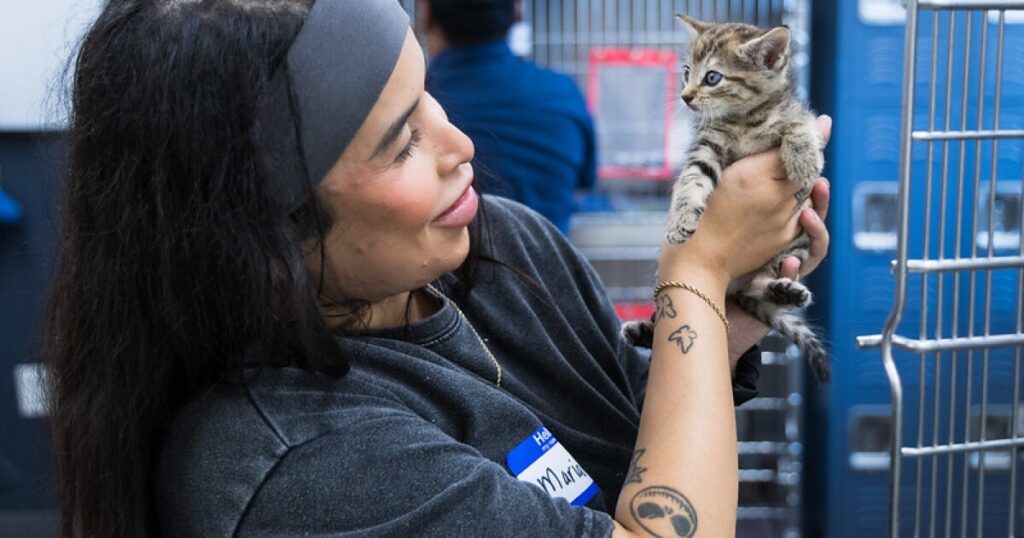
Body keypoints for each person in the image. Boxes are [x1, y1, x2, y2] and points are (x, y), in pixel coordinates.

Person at [46, 0, 831, 536]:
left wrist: (725, 315)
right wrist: (692, 271)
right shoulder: (302, 463)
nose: (462, 146)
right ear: (261, 231)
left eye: (429, 98)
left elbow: (625, 426)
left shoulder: (503, 249)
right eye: (401, 142)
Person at [417, 0, 596, 234]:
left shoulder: (418, 104)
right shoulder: (562, 94)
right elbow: (584, 185)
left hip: (444, 269)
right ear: (518, 12)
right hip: (543, 265)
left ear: (427, 15)